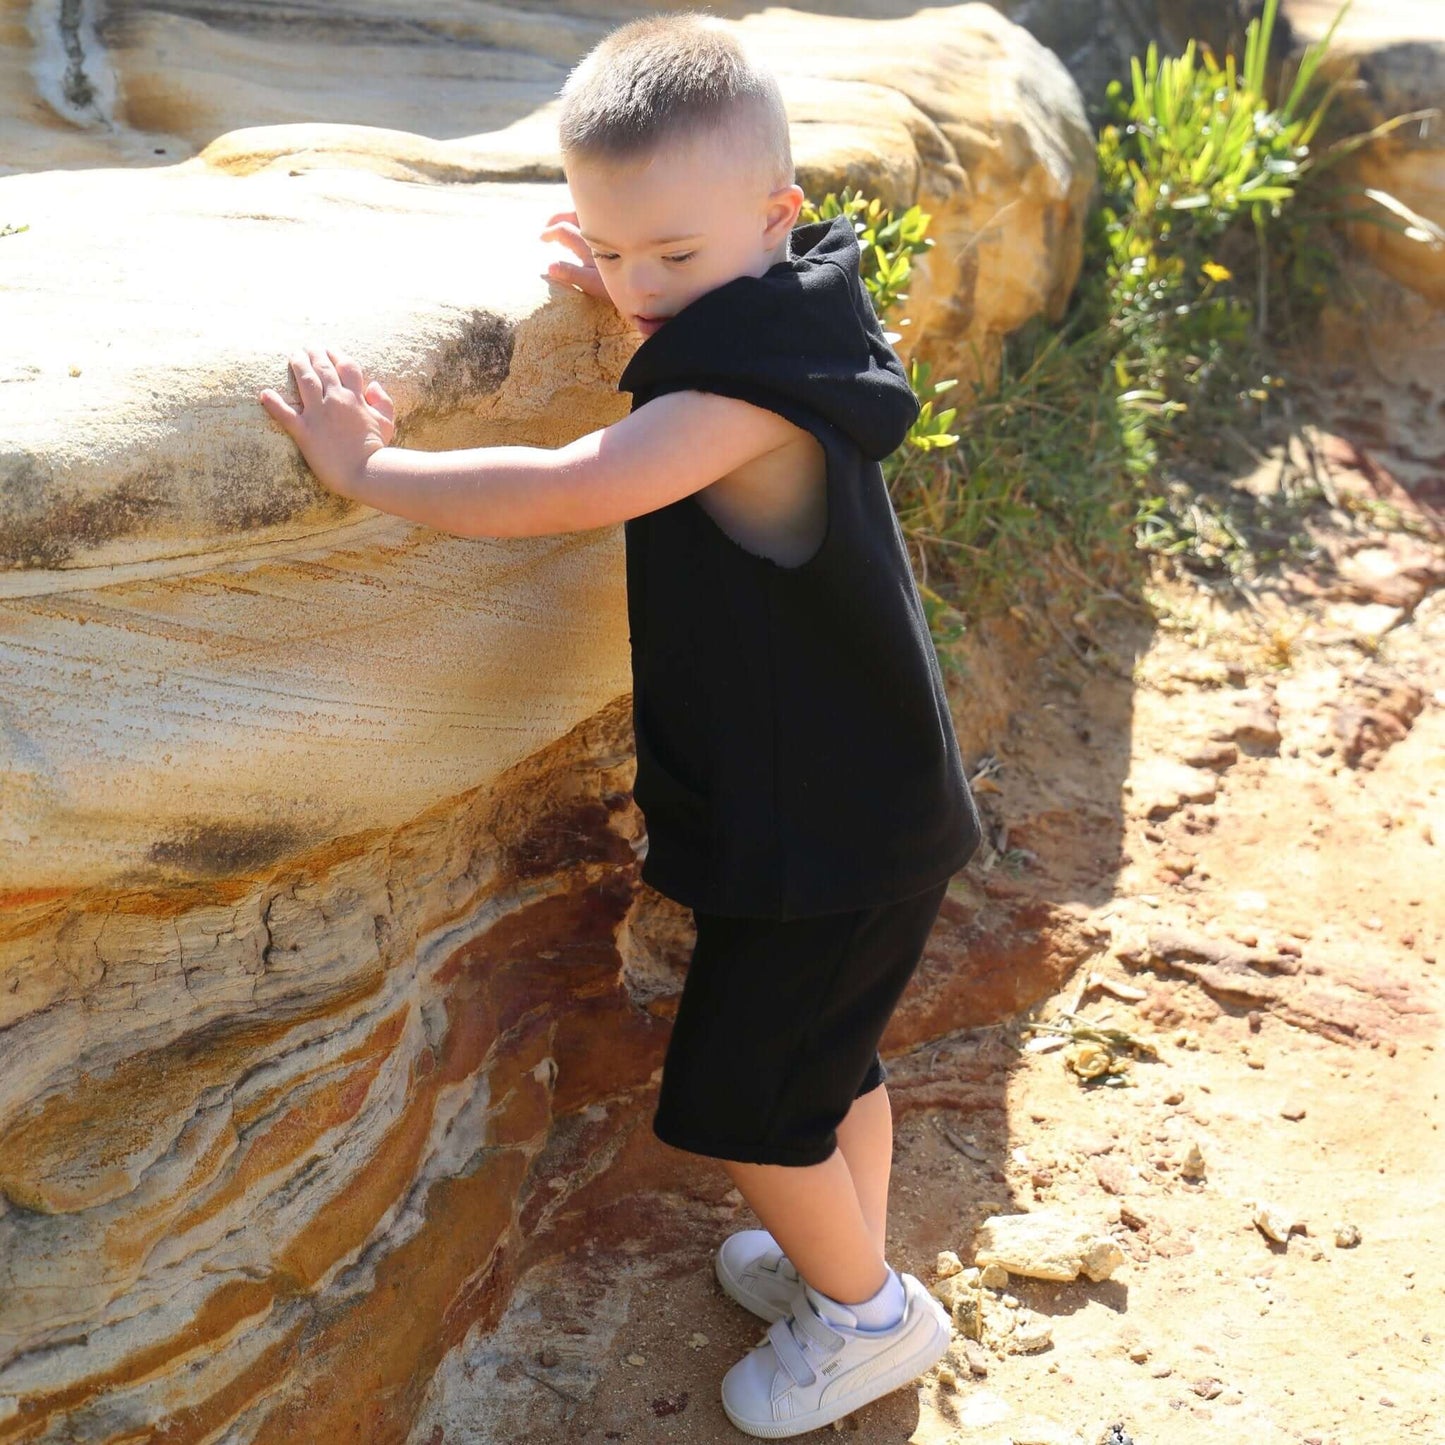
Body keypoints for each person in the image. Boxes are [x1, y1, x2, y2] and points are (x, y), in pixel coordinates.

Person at [257, 11, 982, 1436]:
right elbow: (697, 312)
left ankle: (869, 1315)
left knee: (738, 1101)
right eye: (607, 247)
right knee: (828, 1070)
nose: (633, 284)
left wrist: (375, 467)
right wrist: (640, 282)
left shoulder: (736, 402)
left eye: (673, 256)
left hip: (817, 837)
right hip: (866, 808)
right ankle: (839, 1260)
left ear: (769, 216)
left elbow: (576, 482)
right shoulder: (803, 301)